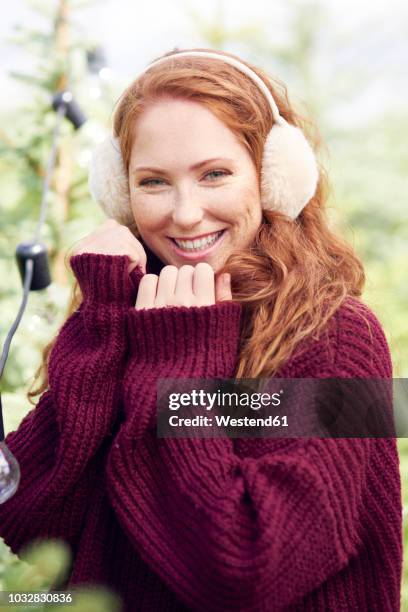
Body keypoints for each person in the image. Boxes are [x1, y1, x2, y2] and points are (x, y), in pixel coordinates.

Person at [0, 47, 402, 611]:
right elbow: (34, 523)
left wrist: (179, 373)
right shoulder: (128, 314)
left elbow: (246, 571)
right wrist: (102, 327)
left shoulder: (336, 337)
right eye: (154, 182)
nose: (185, 214)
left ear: (270, 178)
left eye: (214, 174)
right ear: (121, 193)